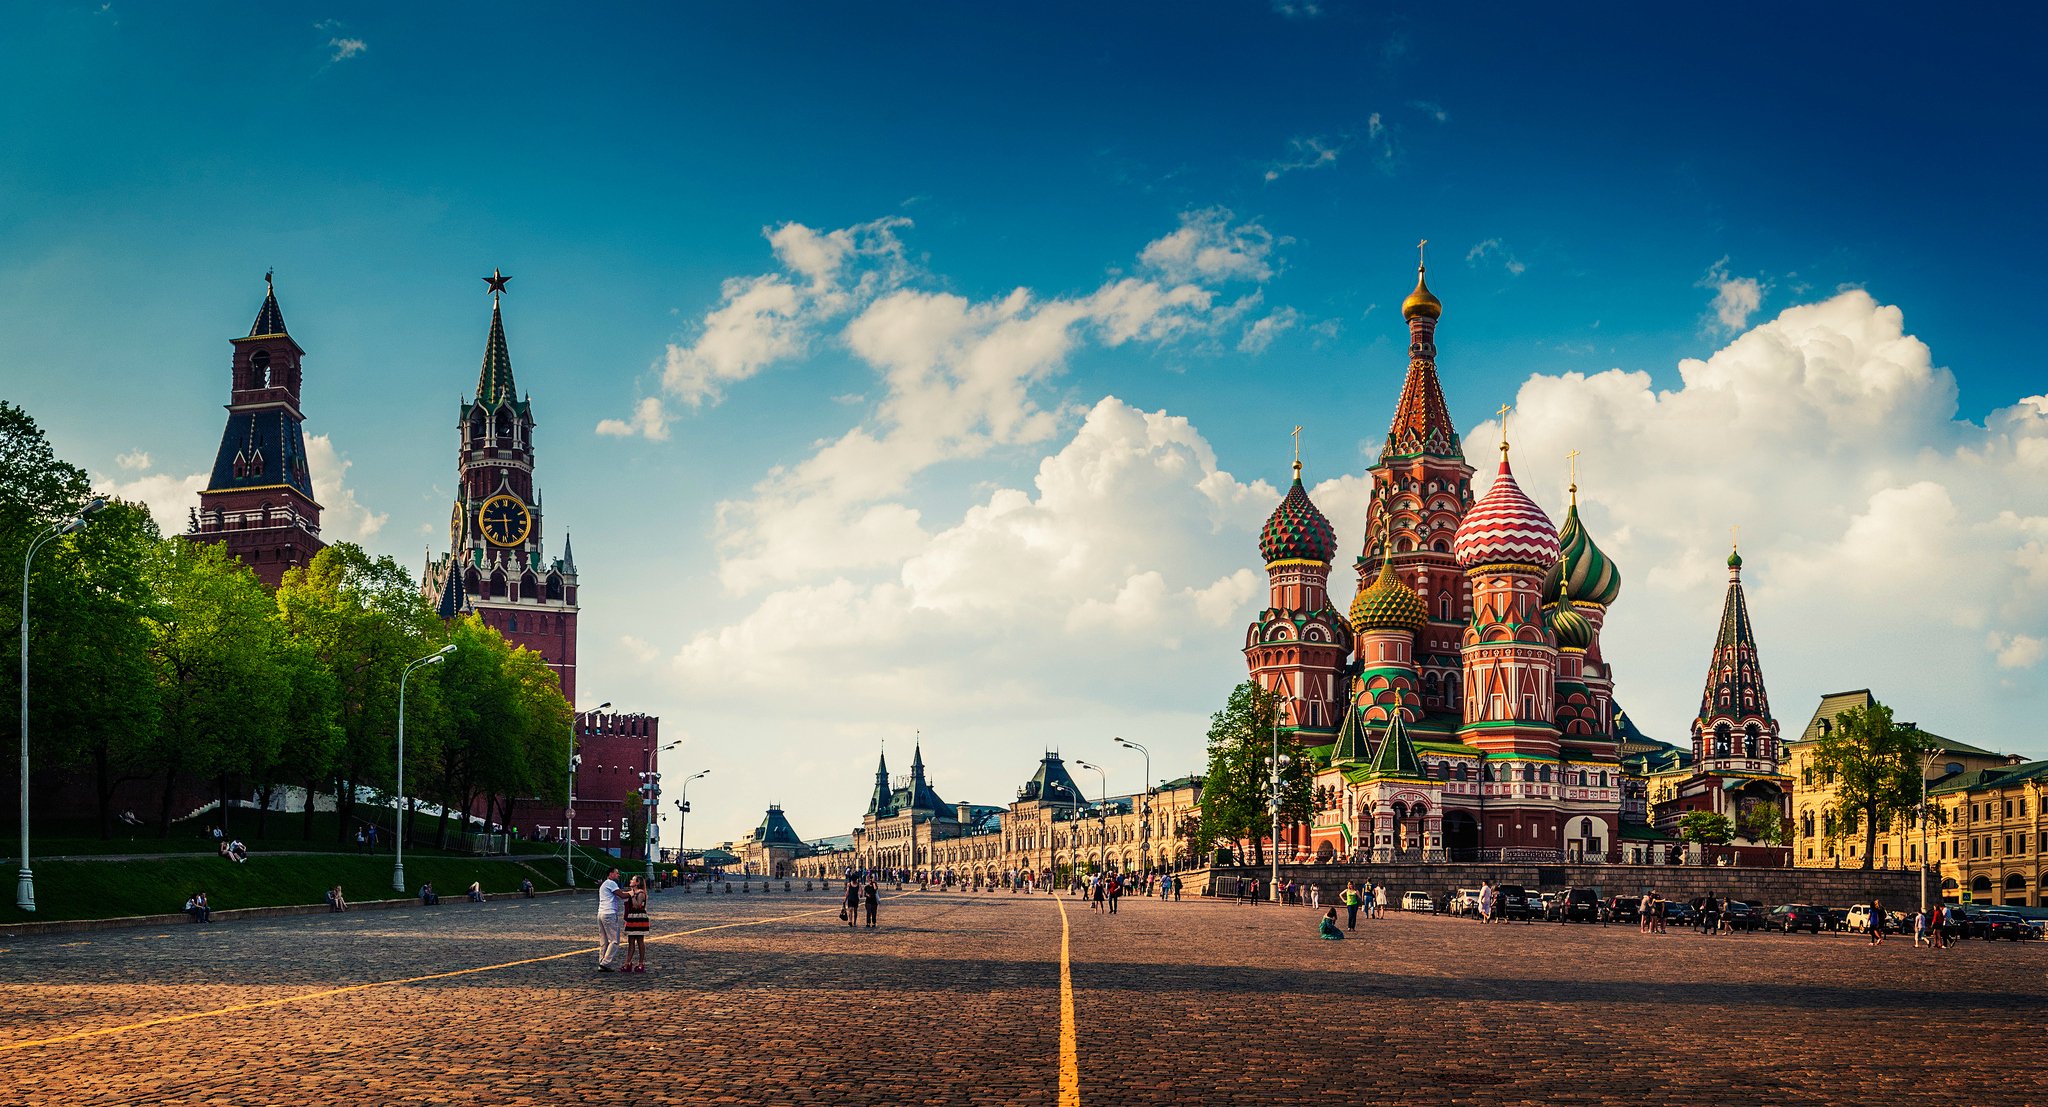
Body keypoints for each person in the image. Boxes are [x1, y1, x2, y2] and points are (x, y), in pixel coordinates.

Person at [596, 866, 627, 972]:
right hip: (609, 914)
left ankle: (602, 962)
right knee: (614, 940)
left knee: (604, 941)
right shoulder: (611, 883)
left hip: (601, 913)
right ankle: (605, 962)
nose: (618, 875)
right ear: (611, 874)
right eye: (616, 873)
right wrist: (632, 893)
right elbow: (622, 895)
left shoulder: (605, 883)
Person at [622, 877, 650, 973]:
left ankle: (641, 963)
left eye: (632, 880)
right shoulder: (633, 892)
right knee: (631, 941)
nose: (630, 881)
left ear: (637, 883)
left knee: (639, 940)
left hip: (639, 917)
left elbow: (637, 906)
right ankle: (628, 963)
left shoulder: (641, 893)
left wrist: (633, 895)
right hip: (632, 917)